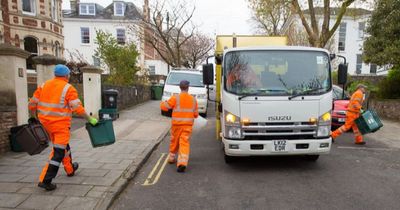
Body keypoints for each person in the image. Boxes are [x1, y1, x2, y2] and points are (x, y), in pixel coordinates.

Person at [28, 64, 98, 191]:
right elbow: (78, 109)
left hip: (45, 125)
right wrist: (90, 119)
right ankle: (45, 180)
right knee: (58, 153)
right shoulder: (68, 88)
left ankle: (70, 169)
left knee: (63, 146)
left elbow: (32, 103)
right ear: (66, 75)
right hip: (60, 126)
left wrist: (33, 118)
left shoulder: (44, 85)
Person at [160, 80, 198, 173]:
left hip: (176, 125)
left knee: (174, 141)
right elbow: (196, 115)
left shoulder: (175, 98)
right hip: (187, 126)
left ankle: (172, 158)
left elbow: (164, 107)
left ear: (180, 87)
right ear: (188, 88)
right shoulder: (193, 99)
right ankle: (182, 163)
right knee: (184, 143)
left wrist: (163, 102)